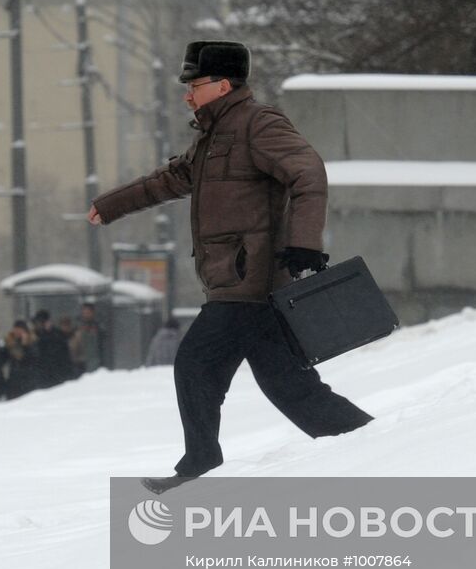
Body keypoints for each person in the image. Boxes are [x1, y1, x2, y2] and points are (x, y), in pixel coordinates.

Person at [88, 39, 373, 494]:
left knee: (196, 363)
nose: (187, 95)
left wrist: (304, 243)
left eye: (194, 85)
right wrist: (110, 205)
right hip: (243, 282)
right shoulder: (213, 136)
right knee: (289, 386)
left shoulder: (259, 124)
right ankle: (375, 442)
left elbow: (308, 172)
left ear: (223, 85)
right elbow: (170, 180)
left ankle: (200, 462)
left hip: (249, 281)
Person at [31, 310, 75, 386]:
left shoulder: (57, 336)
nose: (38, 325)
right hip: (42, 378)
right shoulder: (35, 337)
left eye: (40, 323)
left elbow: (63, 359)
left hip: (55, 377)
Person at [3, 320, 42, 399]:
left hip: (29, 379)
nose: (17, 332)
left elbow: (32, 358)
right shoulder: (10, 343)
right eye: (16, 329)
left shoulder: (32, 341)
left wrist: (25, 346)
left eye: (20, 329)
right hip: (14, 380)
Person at [69, 302, 106, 375]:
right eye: (84, 312)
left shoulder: (98, 325)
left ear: (93, 313)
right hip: (80, 362)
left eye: (88, 312)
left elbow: (103, 340)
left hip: (95, 360)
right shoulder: (77, 326)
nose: (85, 314)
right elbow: (72, 344)